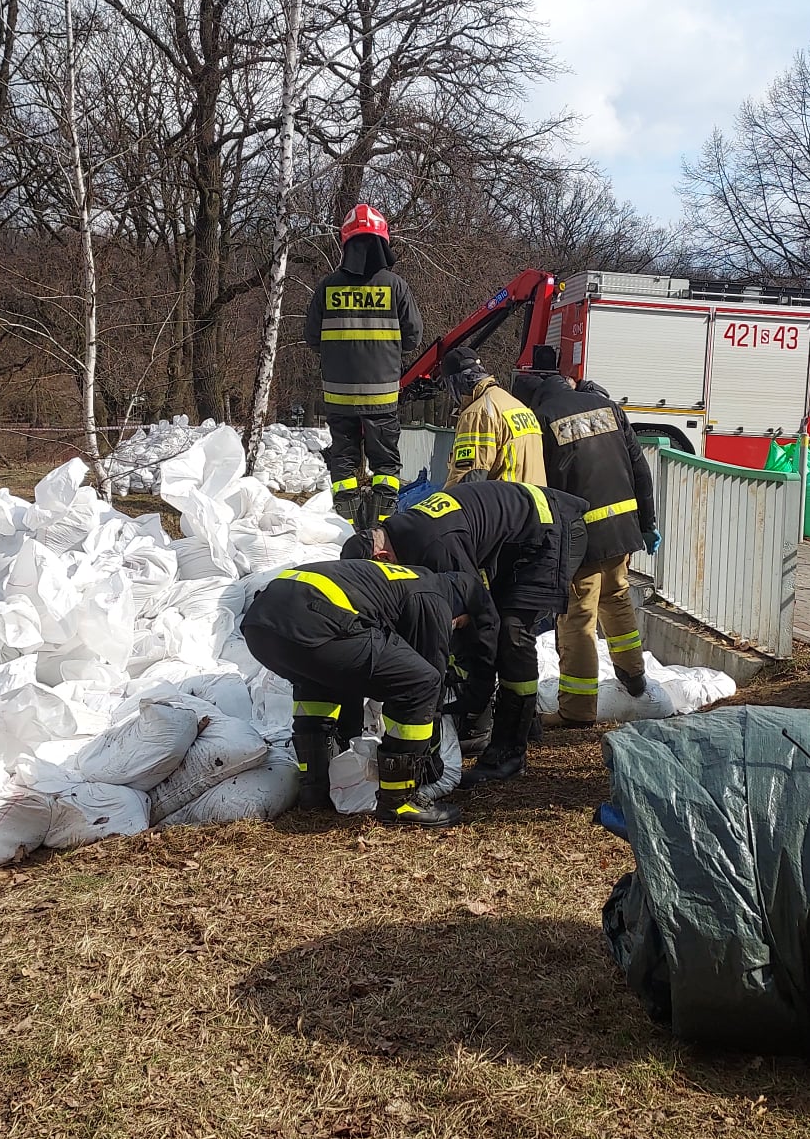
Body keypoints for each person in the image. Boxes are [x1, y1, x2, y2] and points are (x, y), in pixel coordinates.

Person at [346, 477, 586, 784]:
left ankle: (509, 751)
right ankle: (524, 723)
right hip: (521, 533)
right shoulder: (401, 536)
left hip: (551, 530)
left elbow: (480, 614)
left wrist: (478, 691)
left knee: (511, 633)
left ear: (381, 558)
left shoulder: (433, 547)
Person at [240, 558, 487, 827]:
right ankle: (399, 802)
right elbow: (429, 678)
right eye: (460, 625)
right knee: (421, 682)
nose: (455, 629)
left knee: (320, 681)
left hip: (260, 625)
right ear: (463, 610)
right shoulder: (436, 598)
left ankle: (314, 788)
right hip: (313, 619)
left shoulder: (406, 577)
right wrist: (430, 756)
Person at [523, 346, 658, 726]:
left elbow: (541, 488)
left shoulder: (542, 419)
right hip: (621, 529)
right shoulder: (609, 408)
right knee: (616, 599)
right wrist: (648, 523)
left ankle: (577, 711)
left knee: (577, 619)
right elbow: (639, 469)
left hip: (580, 538)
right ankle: (633, 676)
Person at [305, 204, 422, 530]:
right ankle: (382, 529)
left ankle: (349, 526)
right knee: (385, 462)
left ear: (346, 244)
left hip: (339, 397)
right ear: (382, 243)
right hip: (382, 397)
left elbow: (312, 337)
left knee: (343, 459)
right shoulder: (395, 286)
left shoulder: (328, 287)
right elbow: (413, 337)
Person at [442, 346, 546, 486]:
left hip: (506, 503)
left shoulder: (478, 413)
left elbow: (469, 478)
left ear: (455, 382)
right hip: (535, 502)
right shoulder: (517, 406)